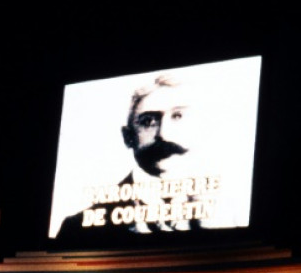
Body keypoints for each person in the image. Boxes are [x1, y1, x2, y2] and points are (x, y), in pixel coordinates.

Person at [56, 75, 215, 242]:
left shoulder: (228, 214)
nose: (163, 134)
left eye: (178, 116)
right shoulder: (76, 230)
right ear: (128, 137)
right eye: (148, 121)